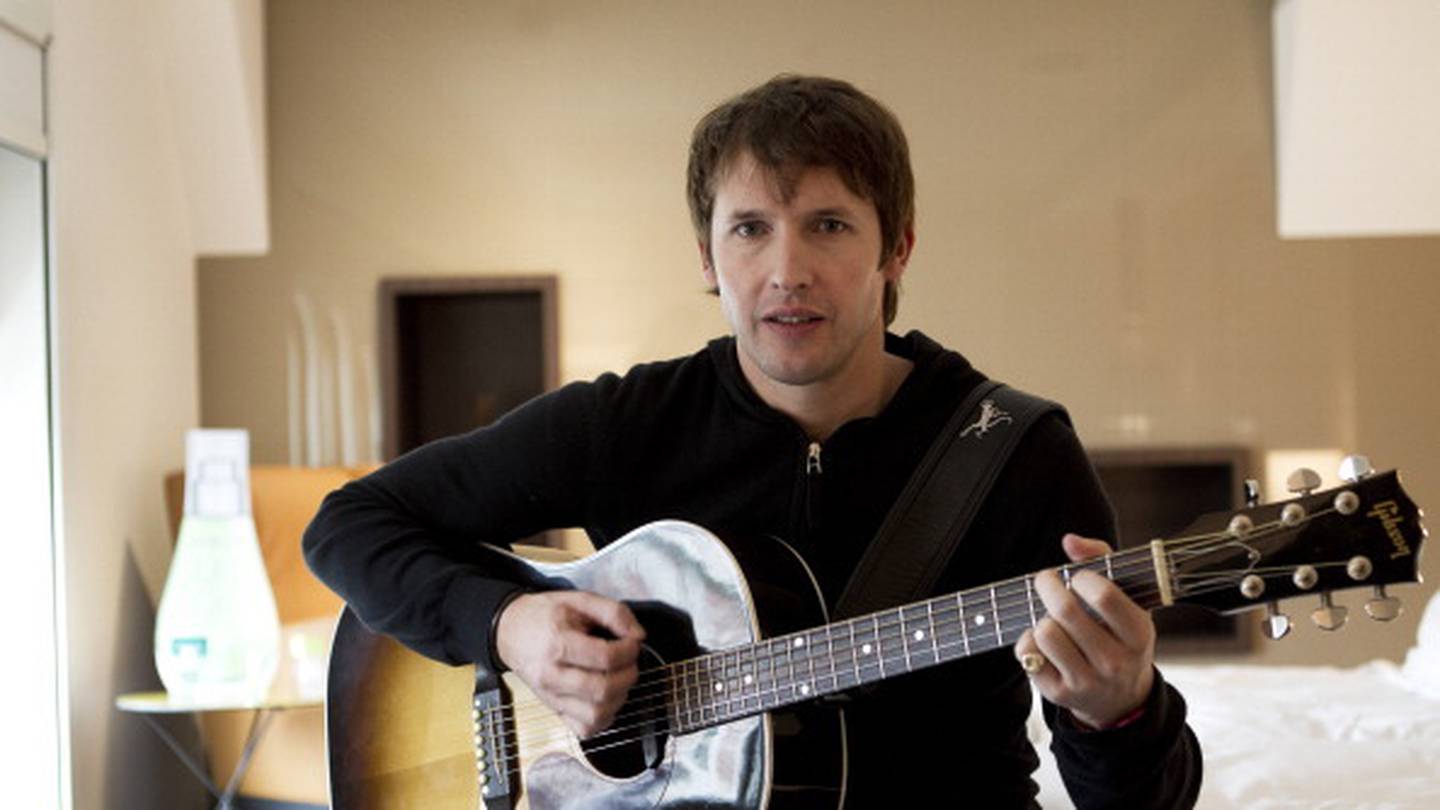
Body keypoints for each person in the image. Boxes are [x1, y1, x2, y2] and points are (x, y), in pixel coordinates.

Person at [304, 74, 1202, 808]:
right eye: (750, 229)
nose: (787, 271)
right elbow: (347, 525)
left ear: (897, 250)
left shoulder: (1015, 450)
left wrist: (1118, 712)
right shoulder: (628, 425)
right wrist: (509, 625)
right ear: (707, 258)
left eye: (829, 225)